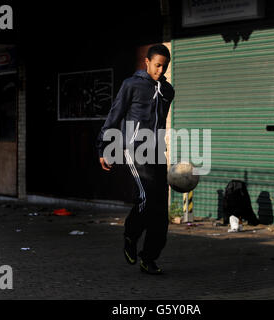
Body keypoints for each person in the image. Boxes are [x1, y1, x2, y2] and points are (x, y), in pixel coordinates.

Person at [96, 44, 175, 275]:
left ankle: (149, 258)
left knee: (160, 210)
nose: (160, 70)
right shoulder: (131, 85)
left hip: (157, 151)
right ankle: (131, 234)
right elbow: (115, 115)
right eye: (157, 65)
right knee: (145, 198)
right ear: (147, 63)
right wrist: (104, 147)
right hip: (135, 148)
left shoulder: (168, 91)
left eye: (165, 66)